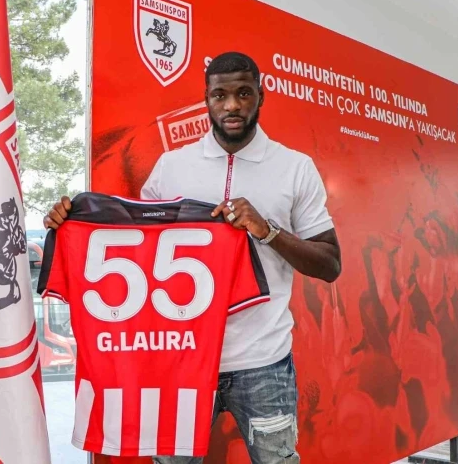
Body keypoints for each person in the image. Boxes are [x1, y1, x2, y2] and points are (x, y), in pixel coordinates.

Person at [44, 51, 341, 464]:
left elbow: (330, 264)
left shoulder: (295, 167)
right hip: (178, 357)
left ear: (260, 95)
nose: (232, 105)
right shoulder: (172, 166)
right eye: (220, 95)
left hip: (264, 359)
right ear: (207, 99)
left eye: (244, 93)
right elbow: (136, 243)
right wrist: (71, 220)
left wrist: (268, 230)